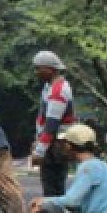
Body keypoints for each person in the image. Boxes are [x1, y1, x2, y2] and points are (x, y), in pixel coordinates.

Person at [30, 50, 76, 196]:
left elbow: (51, 125)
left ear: (50, 69)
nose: (36, 72)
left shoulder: (58, 90)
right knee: (52, 188)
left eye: (39, 68)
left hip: (56, 146)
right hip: (52, 144)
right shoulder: (49, 87)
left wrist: (40, 151)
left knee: (53, 190)